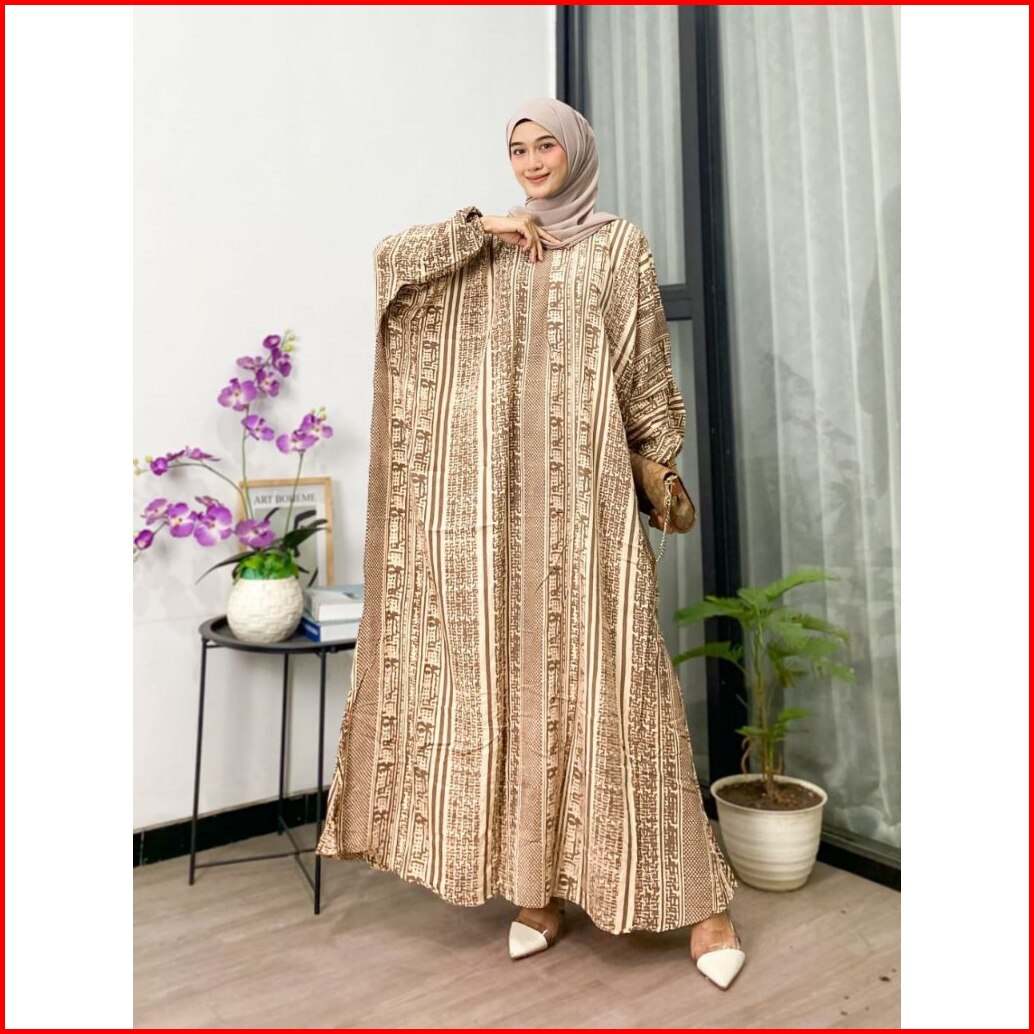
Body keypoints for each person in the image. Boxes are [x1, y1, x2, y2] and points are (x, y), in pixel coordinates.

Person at [316, 97, 746, 991]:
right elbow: (393, 266)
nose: (534, 160)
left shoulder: (618, 247)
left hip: (588, 511)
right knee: (514, 696)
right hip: (498, 523)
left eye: (548, 144)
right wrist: (482, 227)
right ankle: (538, 893)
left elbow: (642, 370)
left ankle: (704, 904)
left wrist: (660, 461)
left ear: (577, 150)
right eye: (519, 148)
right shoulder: (493, 249)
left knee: (618, 690)